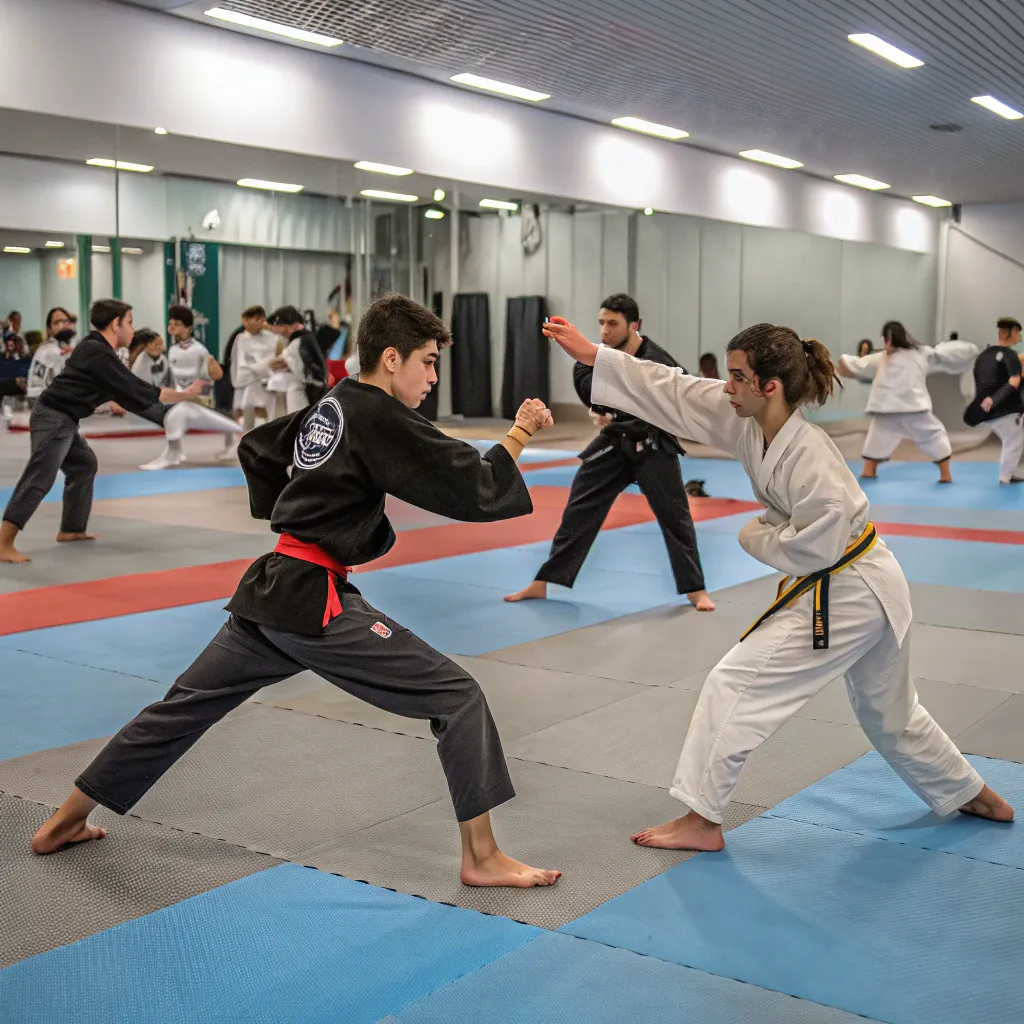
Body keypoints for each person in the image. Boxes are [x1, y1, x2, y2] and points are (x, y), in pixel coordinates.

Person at [31, 293, 562, 890]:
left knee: (179, 710)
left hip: (270, 587)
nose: (433, 377)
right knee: (458, 697)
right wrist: (520, 431)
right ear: (392, 358)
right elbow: (477, 487)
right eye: (428, 362)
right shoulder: (379, 414)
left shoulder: (334, 402)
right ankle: (482, 857)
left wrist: (294, 513)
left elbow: (256, 448)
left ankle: (62, 822)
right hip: (314, 602)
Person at [544, 315, 1014, 852]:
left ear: (771, 387)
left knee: (734, 684)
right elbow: (673, 388)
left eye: (737, 377)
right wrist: (595, 357)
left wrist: (754, 535)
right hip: (870, 583)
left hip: (849, 588)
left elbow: (817, 545)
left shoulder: (812, 457)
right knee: (889, 714)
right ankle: (969, 790)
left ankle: (702, 819)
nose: (726, 386)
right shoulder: (744, 418)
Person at [506, 294, 713, 611]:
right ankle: (543, 582)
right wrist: (615, 410)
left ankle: (696, 590)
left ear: (635, 325)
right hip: (614, 442)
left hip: (653, 443)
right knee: (579, 508)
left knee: (676, 516)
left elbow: (678, 397)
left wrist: (617, 408)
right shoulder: (595, 357)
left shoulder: (658, 360)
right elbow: (588, 388)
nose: (604, 330)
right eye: (602, 322)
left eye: (613, 324)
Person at [0, 300, 204, 564]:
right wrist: (185, 395)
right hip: (53, 416)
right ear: (115, 324)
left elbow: (130, 397)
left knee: (83, 464)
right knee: (41, 473)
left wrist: (168, 420)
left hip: (63, 417)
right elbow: (138, 390)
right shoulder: (97, 352)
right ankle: (4, 542)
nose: (132, 329)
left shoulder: (99, 351)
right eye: (129, 322)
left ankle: (71, 529)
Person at [838, 321, 977, 483]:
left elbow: (851, 365)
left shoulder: (887, 357)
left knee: (878, 439)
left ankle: (869, 471)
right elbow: (853, 366)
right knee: (933, 435)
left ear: (887, 339)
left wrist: (836, 365)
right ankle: (945, 475)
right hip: (910, 408)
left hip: (890, 409)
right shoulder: (918, 353)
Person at [139, 306, 236, 469]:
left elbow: (212, 378)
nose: (172, 327)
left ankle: (172, 454)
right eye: (171, 324)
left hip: (197, 400)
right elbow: (168, 379)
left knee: (175, 416)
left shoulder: (200, 351)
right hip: (179, 397)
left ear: (188, 328)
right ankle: (176, 451)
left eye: (176, 324)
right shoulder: (172, 351)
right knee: (165, 412)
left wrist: (199, 397)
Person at [964, 317, 1024, 484]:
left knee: (1011, 439)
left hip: (985, 411)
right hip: (1004, 410)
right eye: (1019, 333)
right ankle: (1005, 477)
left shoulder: (983, 355)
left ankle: (1007, 475)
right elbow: (1013, 382)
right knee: (1014, 440)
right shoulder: (1010, 355)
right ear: (1014, 332)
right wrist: (994, 400)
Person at [265, 305, 329, 414]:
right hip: (316, 391)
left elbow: (302, 375)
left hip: (306, 394)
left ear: (285, 326)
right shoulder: (307, 337)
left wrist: (283, 364)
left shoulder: (297, 343)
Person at [231, 305, 277, 430]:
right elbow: (240, 363)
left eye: (262, 319)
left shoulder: (270, 337)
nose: (261, 322)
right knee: (246, 408)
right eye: (256, 319)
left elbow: (274, 356)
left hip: (266, 379)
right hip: (247, 380)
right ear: (246, 320)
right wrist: (257, 369)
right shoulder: (241, 339)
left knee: (267, 411)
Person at [26, 308, 75, 402]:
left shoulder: (61, 347)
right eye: (57, 323)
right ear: (48, 329)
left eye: (66, 321)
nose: (62, 325)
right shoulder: (50, 351)